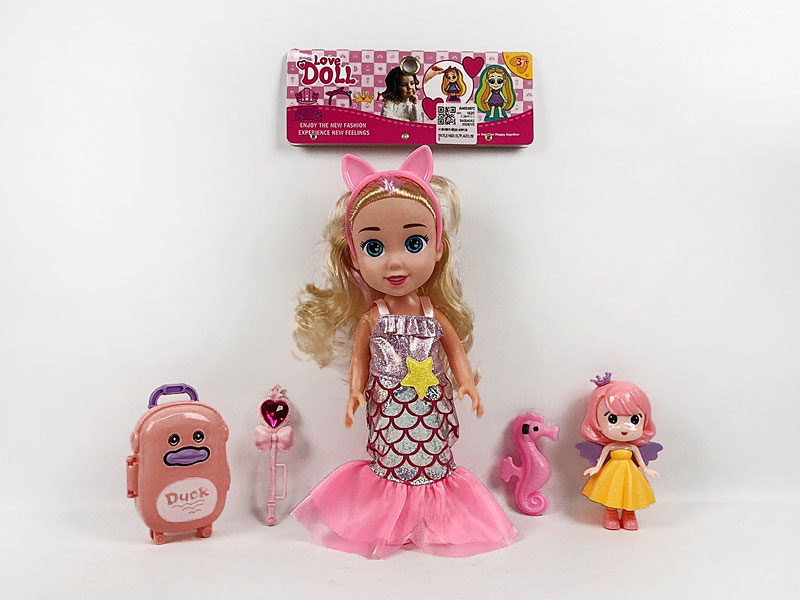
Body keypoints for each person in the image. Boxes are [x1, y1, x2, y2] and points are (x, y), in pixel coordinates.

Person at [291, 146, 516, 558]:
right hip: (389, 407)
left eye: (414, 242)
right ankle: (393, 518)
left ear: (437, 247)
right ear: (354, 257)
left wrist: (466, 382)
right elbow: (360, 358)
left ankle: (432, 518)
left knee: (431, 457)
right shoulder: (373, 317)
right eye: (374, 248)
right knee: (393, 458)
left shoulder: (433, 313)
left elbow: (453, 350)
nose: (395, 263)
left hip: (430, 404)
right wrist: (355, 392)